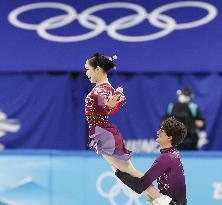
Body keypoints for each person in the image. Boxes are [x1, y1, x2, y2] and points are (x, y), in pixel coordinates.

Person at [85, 53, 171, 202]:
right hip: (101, 133)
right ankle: (154, 199)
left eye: (88, 69)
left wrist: (110, 102)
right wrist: (113, 99)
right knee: (121, 172)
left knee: (127, 171)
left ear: (98, 69)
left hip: (104, 133)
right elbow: (109, 106)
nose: (86, 73)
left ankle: (161, 198)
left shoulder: (101, 90)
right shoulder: (106, 88)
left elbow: (107, 105)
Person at [114, 117, 187, 205]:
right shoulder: (172, 155)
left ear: (169, 138)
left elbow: (141, 185)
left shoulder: (167, 158)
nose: (158, 132)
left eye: (162, 130)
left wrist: (120, 174)